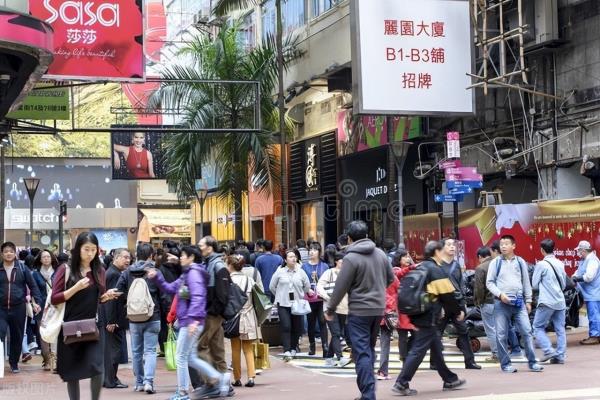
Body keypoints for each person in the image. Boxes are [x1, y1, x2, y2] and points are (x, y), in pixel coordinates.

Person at [147, 246, 230, 400]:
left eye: (183, 255)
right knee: (189, 357)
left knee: (181, 357)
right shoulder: (188, 274)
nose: (181, 258)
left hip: (190, 322)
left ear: (191, 257)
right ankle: (217, 376)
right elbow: (171, 289)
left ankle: (183, 392)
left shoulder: (193, 274)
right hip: (191, 321)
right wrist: (157, 277)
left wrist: (193, 320)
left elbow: (198, 297)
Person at [325, 220, 394, 400]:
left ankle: (368, 394)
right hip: (378, 309)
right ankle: (367, 392)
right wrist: (377, 290)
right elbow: (390, 279)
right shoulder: (380, 254)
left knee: (361, 352)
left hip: (359, 311)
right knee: (368, 350)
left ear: (349, 238)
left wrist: (331, 308)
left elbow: (341, 286)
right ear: (366, 234)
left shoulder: (350, 258)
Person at [50, 232, 122, 400]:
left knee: (98, 368)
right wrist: (75, 288)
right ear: (78, 250)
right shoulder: (66, 269)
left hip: (93, 326)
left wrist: (106, 296)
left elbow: (98, 298)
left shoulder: (99, 270)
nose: (90, 253)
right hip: (70, 326)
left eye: (93, 249)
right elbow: (55, 298)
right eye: (86, 249)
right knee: (72, 371)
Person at [392, 241, 466, 396]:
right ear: (437, 252)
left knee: (436, 348)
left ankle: (450, 379)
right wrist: (457, 310)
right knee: (418, 350)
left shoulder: (420, 267)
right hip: (428, 316)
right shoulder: (435, 270)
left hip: (417, 313)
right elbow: (448, 295)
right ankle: (401, 382)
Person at [486, 235, 544, 373]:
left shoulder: (520, 262)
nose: (503, 246)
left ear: (514, 246)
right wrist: (500, 294)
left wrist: (528, 301)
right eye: (501, 244)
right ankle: (505, 364)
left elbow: (526, 283)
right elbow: (489, 282)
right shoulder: (495, 263)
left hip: (519, 304)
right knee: (501, 335)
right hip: (501, 304)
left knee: (527, 332)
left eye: (506, 244)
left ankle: (532, 362)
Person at [116, 243, 165, 393]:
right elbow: (164, 294)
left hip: (134, 318)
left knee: (137, 352)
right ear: (151, 255)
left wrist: (129, 302)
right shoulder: (155, 271)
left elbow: (118, 291)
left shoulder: (127, 272)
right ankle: (149, 382)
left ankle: (139, 383)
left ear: (136, 255)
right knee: (150, 351)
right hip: (153, 315)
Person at [192, 236, 232, 398]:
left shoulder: (218, 265)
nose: (199, 247)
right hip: (213, 313)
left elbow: (222, 294)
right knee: (217, 350)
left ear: (210, 247)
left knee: (199, 347)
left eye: (201, 245)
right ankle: (225, 386)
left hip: (212, 314)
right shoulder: (208, 263)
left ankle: (212, 382)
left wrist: (214, 311)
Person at [437, 238, 480, 369]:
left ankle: (470, 361)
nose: (452, 247)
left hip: (456, 304)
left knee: (464, 332)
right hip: (442, 304)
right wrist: (438, 307)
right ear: (442, 248)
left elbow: (461, 285)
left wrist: (463, 305)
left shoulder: (456, 265)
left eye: (453, 245)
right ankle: (435, 362)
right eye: (448, 245)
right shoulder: (437, 265)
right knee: (437, 334)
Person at [0, 241, 42, 373]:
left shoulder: (22, 269)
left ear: (15, 253)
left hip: (18, 308)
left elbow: (33, 285)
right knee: (0, 334)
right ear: (2, 254)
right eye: (6, 251)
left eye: (11, 251)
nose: (8, 253)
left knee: (17, 336)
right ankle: (0, 362)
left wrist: (38, 302)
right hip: (1, 309)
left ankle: (13, 363)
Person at [270, 249, 312, 360]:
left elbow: (307, 286)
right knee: (286, 326)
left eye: (294, 256)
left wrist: (301, 294)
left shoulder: (301, 272)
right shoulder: (280, 271)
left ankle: (294, 348)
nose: (293, 258)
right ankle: (287, 350)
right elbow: (272, 286)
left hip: (297, 303)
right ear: (285, 260)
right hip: (283, 303)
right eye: (290, 257)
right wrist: (279, 295)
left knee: (297, 327)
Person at [532, 239, 567, 364]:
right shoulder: (560, 263)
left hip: (546, 301)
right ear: (554, 249)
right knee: (560, 329)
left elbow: (534, 285)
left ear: (542, 250)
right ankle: (560, 356)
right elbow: (563, 284)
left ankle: (548, 350)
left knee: (537, 327)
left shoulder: (541, 265)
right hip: (560, 300)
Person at [226, 254, 258, 388]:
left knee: (235, 348)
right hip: (248, 316)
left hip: (233, 318)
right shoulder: (249, 280)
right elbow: (258, 299)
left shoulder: (227, 281)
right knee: (248, 348)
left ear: (231, 266)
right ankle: (251, 377)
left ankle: (237, 378)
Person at [100, 248, 130, 389]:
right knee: (114, 350)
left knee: (113, 349)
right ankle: (110, 380)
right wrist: (112, 321)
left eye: (129, 257)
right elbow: (111, 299)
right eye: (124, 257)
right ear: (116, 258)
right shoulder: (113, 274)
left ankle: (112, 378)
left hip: (113, 318)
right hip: (112, 319)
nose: (127, 260)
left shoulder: (114, 272)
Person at [317, 251, 350, 367]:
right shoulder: (329, 273)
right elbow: (319, 286)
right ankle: (340, 358)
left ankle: (329, 357)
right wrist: (327, 297)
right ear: (336, 261)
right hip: (330, 308)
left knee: (338, 333)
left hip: (344, 308)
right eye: (342, 261)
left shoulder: (348, 274)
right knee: (336, 333)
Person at [490, 240, 522, 357]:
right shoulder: (496, 263)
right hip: (509, 300)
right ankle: (514, 349)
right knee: (508, 327)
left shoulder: (497, 264)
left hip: (501, 301)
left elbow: (487, 284)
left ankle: (508, 351)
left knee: (502, 329)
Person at [31, 249, 58, 371]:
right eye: (44, 257)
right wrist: (35, 304)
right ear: (40, 259)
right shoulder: (35, 274)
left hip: (56, 307)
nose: (46, 259)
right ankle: (46, 359)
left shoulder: (57, 272)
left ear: (52, 258)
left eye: (48, 256)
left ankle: (55, 359)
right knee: (43, 334)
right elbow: (34, 291)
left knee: (56, 332)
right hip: (42, 307)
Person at [301, 242, 330, 356]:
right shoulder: (304, 266)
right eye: (310, 250)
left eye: (314, 250)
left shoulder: (324, 266)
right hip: (309, 298)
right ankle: (312, 345)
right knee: (311, 322)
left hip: (321, 298)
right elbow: (302, 281)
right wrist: (307, 289)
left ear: (319, 252)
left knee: (323, 322)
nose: (311, 252)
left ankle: (325, 346)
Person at [571, 240, 600, 345]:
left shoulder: (592, 260)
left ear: (583, 250)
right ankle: (596, 335)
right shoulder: (584, 260)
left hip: (594, 294)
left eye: (579, 250)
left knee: (594, 316)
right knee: (594, 315)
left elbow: (588, 277)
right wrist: (574, 276)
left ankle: (594, 336)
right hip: (589, 293)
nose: (578, 252)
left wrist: (576, 279)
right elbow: (578, 272)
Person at [473, 246, 498, 362]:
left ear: (479, 257)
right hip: (500, 301)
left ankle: (496, 354)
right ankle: (503, 351)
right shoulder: (498, 264)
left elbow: (479, 288)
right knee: (500, 328)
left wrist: (479, 302)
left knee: (490, 329)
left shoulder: (480, 268)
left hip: (487, 302)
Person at [391, 250, 416, 363]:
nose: (407, 258)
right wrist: (411, 267)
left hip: (411, 306)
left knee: (417, 334)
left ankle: (406, 354)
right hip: (401, 307)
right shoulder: (396, 270)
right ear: (399, 259)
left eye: (408, 256)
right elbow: (399, 274)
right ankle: (404, 358)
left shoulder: (411, 269)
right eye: (404, 257)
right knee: (402, 335)